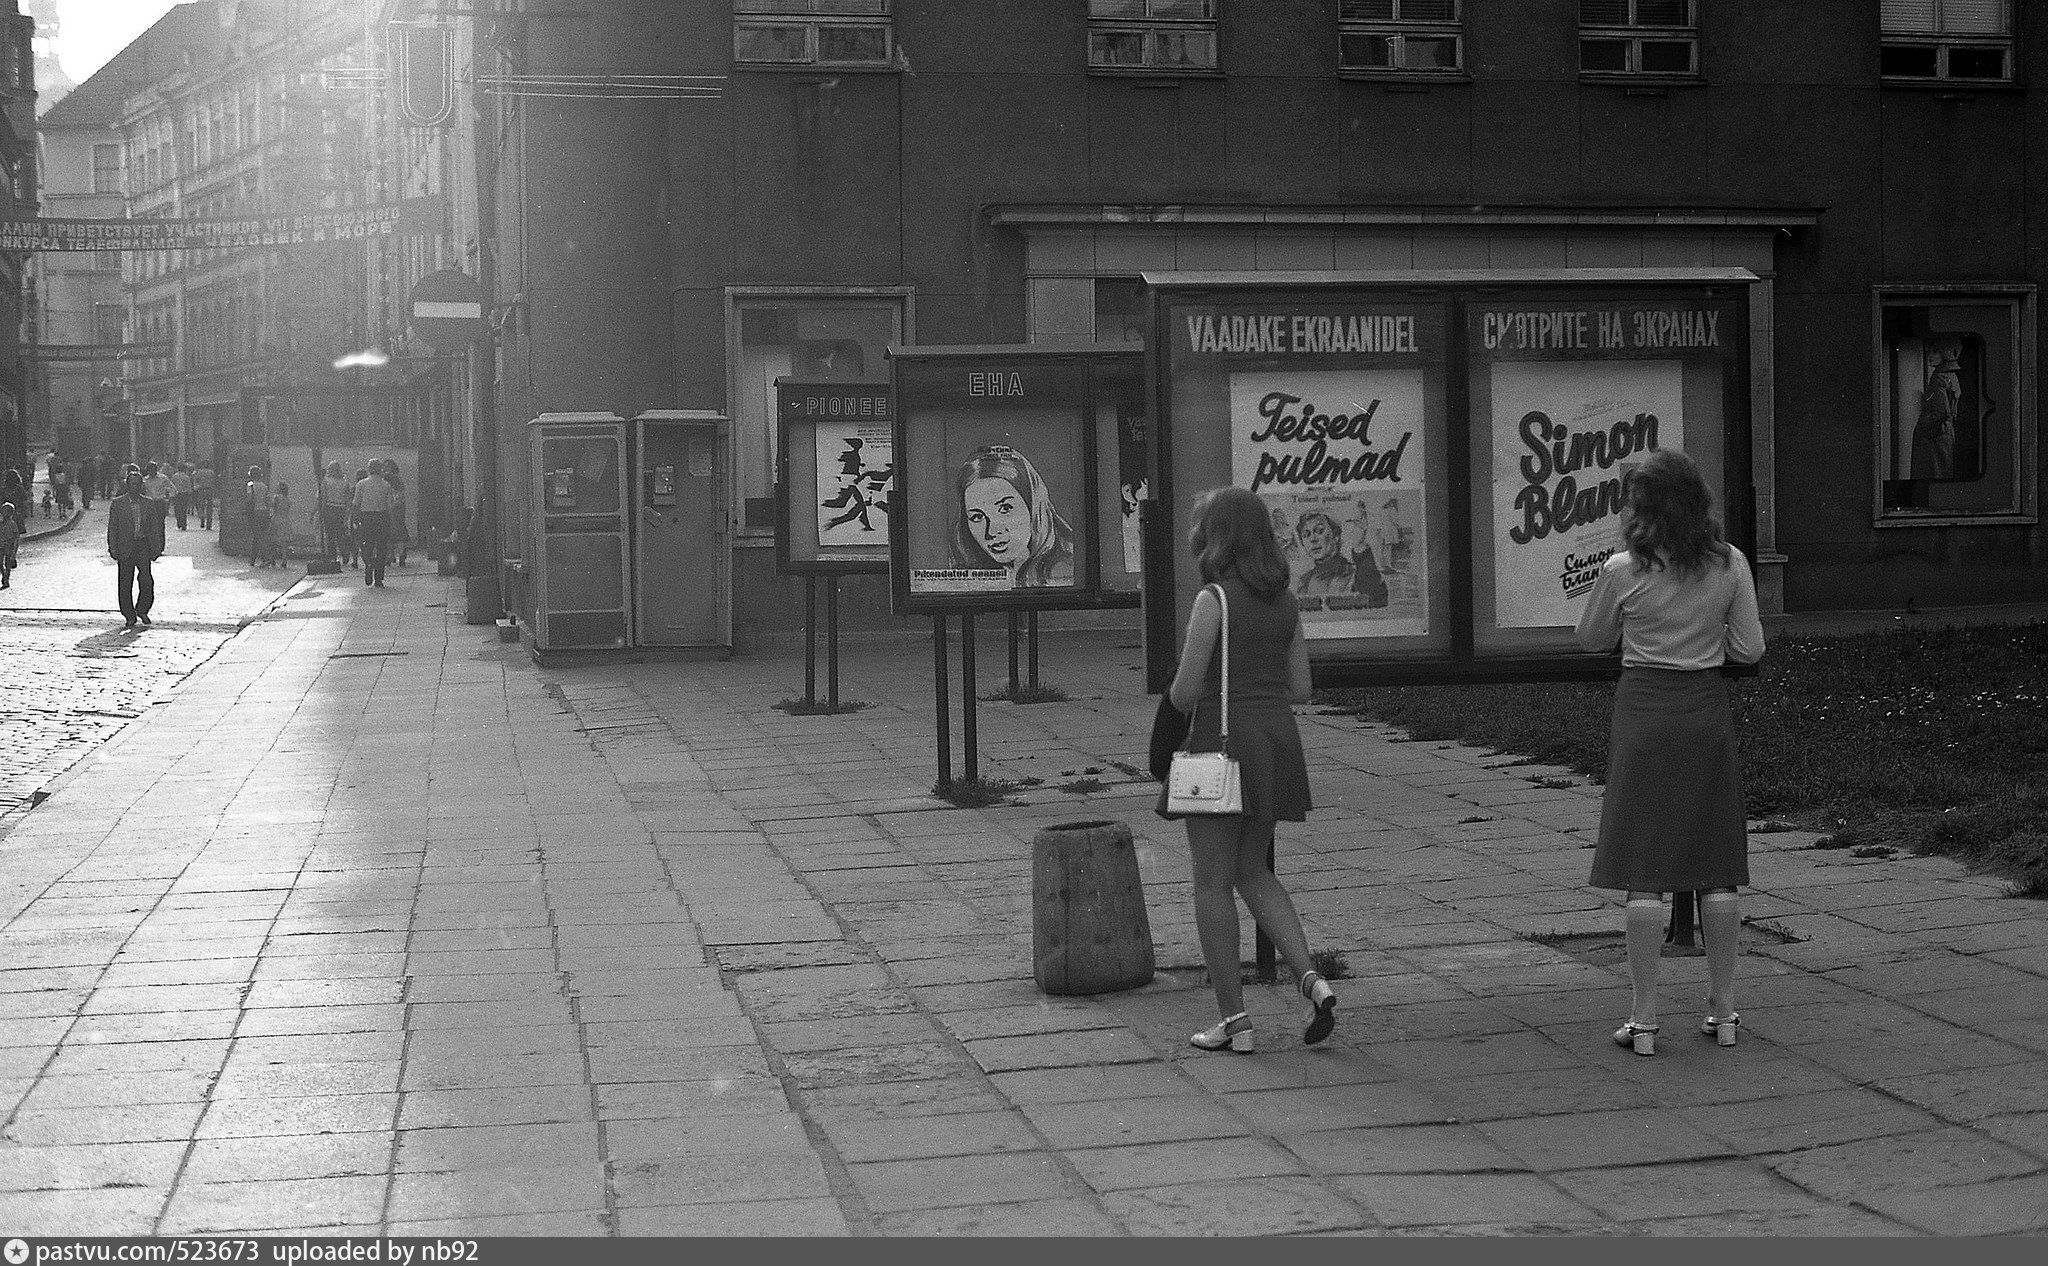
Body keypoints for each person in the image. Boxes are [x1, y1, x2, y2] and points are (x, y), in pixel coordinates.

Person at [1573, 449, 1766, 1057]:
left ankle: (1645, 1016)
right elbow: (1749, 649)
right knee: (1716, 863)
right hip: (1704, 712)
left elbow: (1592, 639)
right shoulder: (1730, 564)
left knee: (1643, 868)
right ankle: (1725, 1008)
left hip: (1644, 715)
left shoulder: (1623, 569)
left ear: (1643, 511)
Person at [1161, 485, 1335, 1055]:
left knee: (1211, 881)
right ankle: (1312, 979)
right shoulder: (1285, 602)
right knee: (1254, 870)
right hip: (1275, 742)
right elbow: (1303, 688)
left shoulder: (1215, 599)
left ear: (1218, 536)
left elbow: (1186, 692)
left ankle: (1235, 1022)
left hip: (1221, 743)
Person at [949, 444, 1075, 587]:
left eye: (1005, 508)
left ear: (1032, 505)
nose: (991, 531)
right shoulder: (971, 573)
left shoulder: (1066, 568)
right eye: (977, 517)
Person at [107, 465, 165, 628]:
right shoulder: (118, 504)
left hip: (142, 545)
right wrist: (113, 547)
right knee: (125, 582)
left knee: (146, 580)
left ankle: (142, 608)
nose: (135, 487)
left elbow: (154, 527)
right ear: (127, 485)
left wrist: (156, 548)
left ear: (141, 486)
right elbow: (113, 527)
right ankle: (129, 614)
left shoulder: (148, 503)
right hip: (125, 546)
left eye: (138, 484)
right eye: (132, 484)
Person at [352, 460, 394, 587]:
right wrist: (392, 522)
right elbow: (389, 506)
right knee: (382, 547)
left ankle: (369, 563)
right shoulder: (386, 485)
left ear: (369, 469)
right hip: (382, 517)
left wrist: (355, 518)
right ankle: (379, 578)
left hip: (366, 517)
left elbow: (356, 504)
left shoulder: (361, 484)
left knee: (366, 544)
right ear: (380, 469)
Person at [317, 460, 351, 563]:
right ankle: (344, 553)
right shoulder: (345, 482)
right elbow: (347, 498)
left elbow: (323, 497)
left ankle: (332, 556)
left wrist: (321, 511)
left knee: (330, 534)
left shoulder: (326, 481)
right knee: (340, 533)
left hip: (329, 508)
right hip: (341, 508)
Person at [382, 463, 411, 566]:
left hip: (388, 512)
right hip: (399, 511)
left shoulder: (385, 484)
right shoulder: (399, 482)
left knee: (388, 535)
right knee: (400, 534)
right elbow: (401, 499)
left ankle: (390, 556)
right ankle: (402, 555)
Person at [263, 482, 293, 567]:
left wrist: (266, 501)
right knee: (284, 542)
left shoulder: (276, 497)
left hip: (276, 519)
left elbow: (273, 506)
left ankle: (273, 559)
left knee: (273, 540)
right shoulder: (288, 500)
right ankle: (284, 559)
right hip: (286, 520)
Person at [244, 466, 269, 568]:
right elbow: (267, 499)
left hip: (255, 512)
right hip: (264, 512)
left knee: (258, 536)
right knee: (258, 536)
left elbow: (249, 499)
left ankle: (266, 558)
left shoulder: (250, 484)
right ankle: (252, 559)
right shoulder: (264, 486)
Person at [169, 462, 194, 530]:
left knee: (177, 509)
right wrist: (190, 495)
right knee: (183, 510)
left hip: (176, 495)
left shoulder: (174, 476)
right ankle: (184, 524)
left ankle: (179, 522)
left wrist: (171, 495)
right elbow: (189, 487)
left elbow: (171, 486)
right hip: (184, 495)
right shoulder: (186, 477)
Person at [192, 459, 215, 529]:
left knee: (201, 505)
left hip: (201, 490)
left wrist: (195, 487)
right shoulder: (211, 472)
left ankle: (202, 519)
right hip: (209, 489)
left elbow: (196, 480)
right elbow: (214, 481)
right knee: (209, 507)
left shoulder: (199, 472)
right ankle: (209, 524)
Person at [0, 498, 17, 588]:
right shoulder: (0, 523)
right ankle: (4, 575)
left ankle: (6, 578)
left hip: (9, 546)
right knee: (0, 563)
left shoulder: (13, 524)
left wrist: (14, 551)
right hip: (1, 545)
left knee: (7, 563)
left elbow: (15, 538)